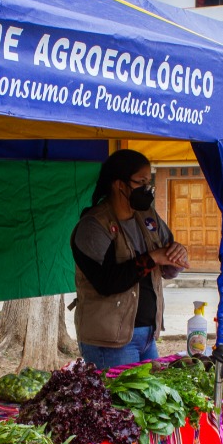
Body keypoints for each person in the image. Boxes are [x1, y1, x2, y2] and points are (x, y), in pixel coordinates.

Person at [71, 149, 188, 369]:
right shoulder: (94, 225)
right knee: (121, 393)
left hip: (147, 336)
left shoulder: (147, 216)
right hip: (110, 340)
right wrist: (153, 257)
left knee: (150, 392)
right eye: (141, 182)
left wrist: (177, 254)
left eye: (148, 182)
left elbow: (167, 259)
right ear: (120, 185)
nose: (147, 188)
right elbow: (107, 283)